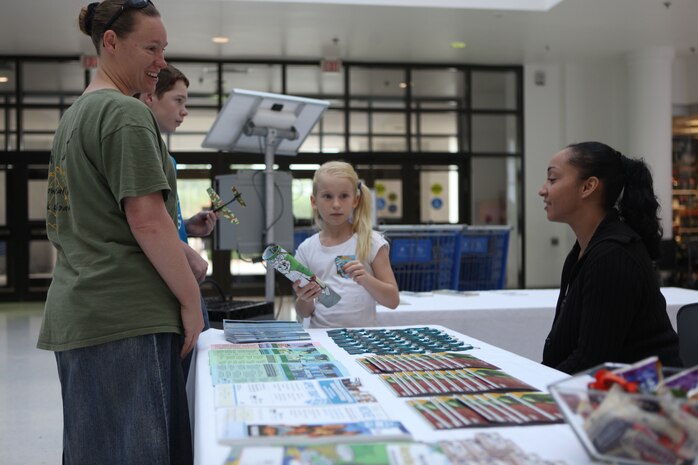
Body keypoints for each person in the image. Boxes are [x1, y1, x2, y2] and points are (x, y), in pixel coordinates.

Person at [37, 2, 203, 464]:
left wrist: (183, 254)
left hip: (80, 312)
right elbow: (147, 220)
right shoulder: (127, 114)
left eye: (164, 49)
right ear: (110, 43)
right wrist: (191, 303)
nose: (161, 62)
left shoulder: (75, 117)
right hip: (128, 317)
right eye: (150, 48)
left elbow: (85, 219)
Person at [538, 141, 682, 374]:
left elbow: (592, 361)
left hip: (640, 400)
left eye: (553, 180)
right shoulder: (583, 252)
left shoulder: (613, 256)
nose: (542, 190)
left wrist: (538, 388)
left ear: (588, 187)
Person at [138, 64, 218, 377]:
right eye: (178, 100)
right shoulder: (145, 151)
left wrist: (188, 227)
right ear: (149, 97)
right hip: (170, 286)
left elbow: (164, 221)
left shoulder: (164, 156)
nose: (185, 111)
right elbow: (145, 224)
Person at [293, 161, 399, 328]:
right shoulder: (306, 250)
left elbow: (393, 300)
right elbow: (303, 312)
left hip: (362, 341)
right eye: (327, 196)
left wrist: (366, 279)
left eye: (344, 196)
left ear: (355, 200)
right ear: (314, 202)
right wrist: (305, 298)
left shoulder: (371, 242)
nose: (336, 204)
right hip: (322, 341)